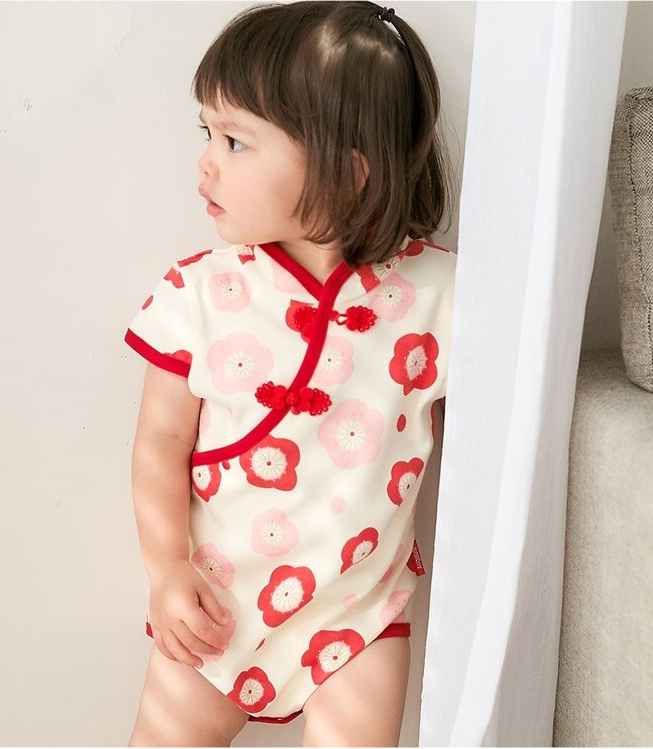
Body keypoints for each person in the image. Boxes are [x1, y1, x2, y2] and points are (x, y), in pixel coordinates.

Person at [124, 2, 457, 745]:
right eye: (207, 133)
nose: (206, 161)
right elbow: (159, 441)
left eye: (235, 141)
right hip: (214, 604)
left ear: (347, 170)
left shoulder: (441, 296)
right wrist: (166, 567)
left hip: (358, 617)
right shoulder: (199, 295)